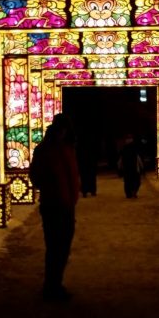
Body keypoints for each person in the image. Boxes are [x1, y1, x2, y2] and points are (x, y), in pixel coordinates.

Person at [29, 114, 80, 301]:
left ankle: (55, 284)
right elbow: (36, 176)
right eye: (61, 128)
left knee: (63, 246)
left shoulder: (66, 148)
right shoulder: (47, 149)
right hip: (53, 204)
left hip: (66, 204)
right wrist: (51, 185)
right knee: (55, 246)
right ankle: (52, 286)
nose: (63, 132)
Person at [117, 134, 143, 198]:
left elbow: (120, 160)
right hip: (133, 168)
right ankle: (133, 192)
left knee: (128, 182)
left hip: (127, 168)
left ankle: (129, 194)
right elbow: (138, 158)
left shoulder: (124, 149)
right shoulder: (134, 148)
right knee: (136, 181)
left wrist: (120, 168)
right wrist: (141, 166)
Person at [76, 131, 99, 197]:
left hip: (84, 161)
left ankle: (85, 191)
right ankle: (92, 190)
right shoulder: (92, 141)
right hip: (90, 160)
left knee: (85, 177)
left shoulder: (80, 143)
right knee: (90, 176)